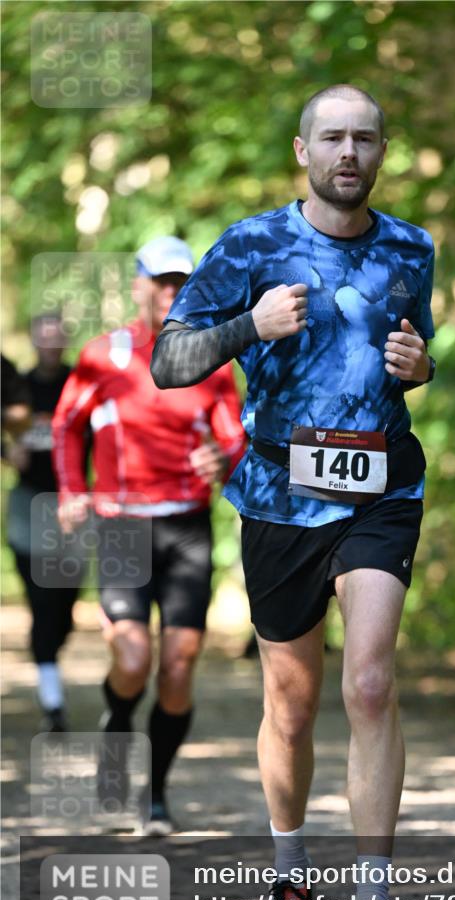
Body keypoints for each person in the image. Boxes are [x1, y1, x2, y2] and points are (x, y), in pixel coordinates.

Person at [151, 86, 436, 900]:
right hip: (278, 494)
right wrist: (249, 324)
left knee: (370, 682)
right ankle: (289, 884)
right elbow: (169, 362)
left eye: (363, 139)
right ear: (302, 150)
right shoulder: (250, 244)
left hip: (381, 485)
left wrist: (422, 366)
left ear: (381, 151)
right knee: (293, 703)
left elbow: (412, 354)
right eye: (332, 138)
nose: (347, 152)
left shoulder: (413, 248)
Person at [52, 236, 246, 835]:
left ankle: (156, 795)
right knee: (133, 658)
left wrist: (226, 458)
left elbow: (234, 435)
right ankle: (117, 730)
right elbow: (65, 425)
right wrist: (70, 489)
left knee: (180, 668)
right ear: (138, 285)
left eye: (180, 281)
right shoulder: (103, 355)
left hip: (186, 526)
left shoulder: (208, 357)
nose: (169, 292)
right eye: (159, 281)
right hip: (122, 526)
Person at [4, 317, 84, 732]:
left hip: (70, 507)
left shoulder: (80, 383)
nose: (51, 347)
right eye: (44, 339)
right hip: (27, 504)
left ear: (65, 342)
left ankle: (49, 648)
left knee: (63, 608)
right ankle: (52, 699)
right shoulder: (17, 386)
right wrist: (7, 451)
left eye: (58, 340)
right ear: (34, 341)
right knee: (41, 599)